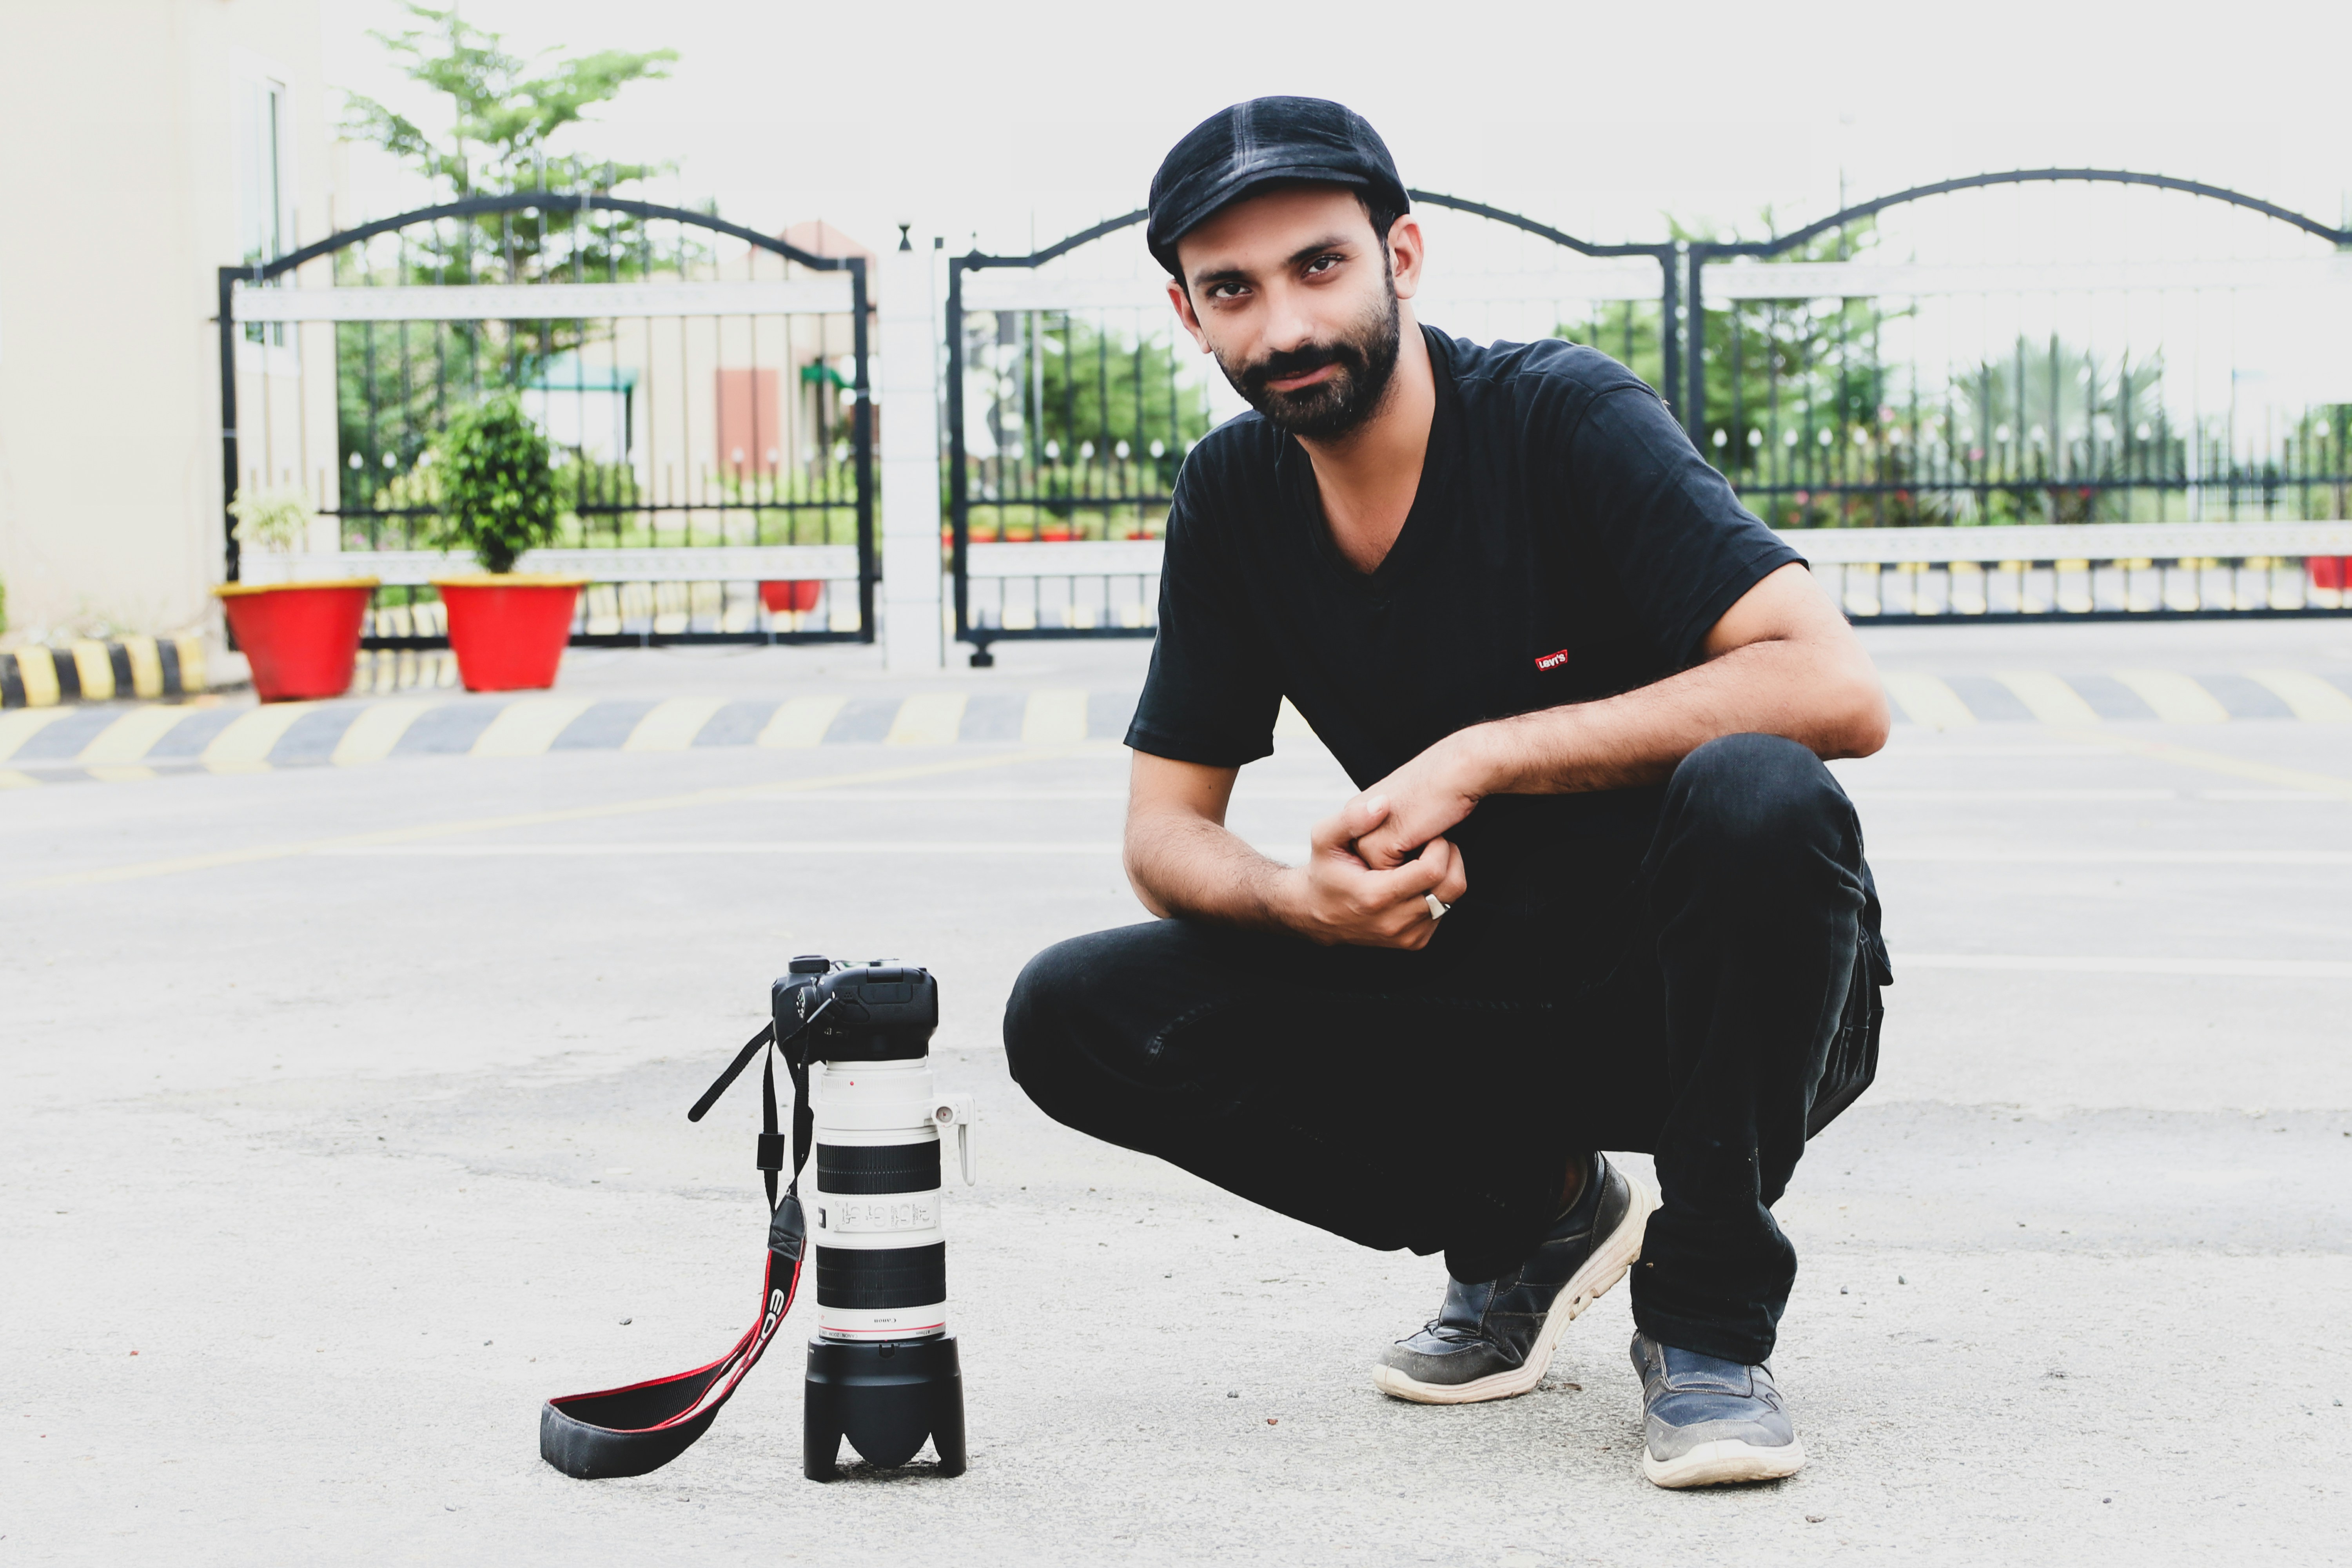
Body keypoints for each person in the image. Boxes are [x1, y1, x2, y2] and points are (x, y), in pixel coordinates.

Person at [1001, 96, 1892, 1490]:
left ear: (1400, 257)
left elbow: (1836, 688)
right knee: (1074, 1013)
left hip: (1719, 1003)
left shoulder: (1565, 419)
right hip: (1476, 989)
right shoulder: (1232, 497)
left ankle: (1710, 1321)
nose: (1285, 325)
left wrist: (1484, 753)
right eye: (1233, 290)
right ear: (1188, 316)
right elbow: (1164, 835)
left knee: (1761, 793)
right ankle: (1532, 1217)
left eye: (1319, 265)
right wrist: (1301, 903)